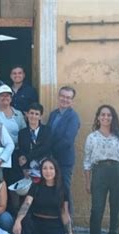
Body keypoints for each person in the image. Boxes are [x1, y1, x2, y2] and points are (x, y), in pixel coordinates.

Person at [83, 105, 119, 234]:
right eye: (102, 115)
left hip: (118, 171)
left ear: (113, 118)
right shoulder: (92, 137)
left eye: (109, 115)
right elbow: (87, 161)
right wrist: (87, 181)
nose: (105, 117)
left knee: (117, 209)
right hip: (99, 172)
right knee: (97, 209)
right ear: (98, 117)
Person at [13, 158, 77, 234]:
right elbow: (26, 204)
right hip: (37, 222)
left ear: (56, 170)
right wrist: (17, 221)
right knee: (24, 221)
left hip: (54, 224)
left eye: (51, 168)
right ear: (41, 171)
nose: (48, 171)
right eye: (45, 168)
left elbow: (64, 213)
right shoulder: (36, 185)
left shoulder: (63, 188)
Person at [12, 102, 52, 216]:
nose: (33, 116)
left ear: (40, 116)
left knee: (43, 196)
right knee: (27, 197)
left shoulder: (47, 131)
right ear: (27, 115)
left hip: (44, 169)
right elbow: (21, 152)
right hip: (28, 172)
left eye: (36, 114)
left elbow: (45, 148)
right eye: (31, 113)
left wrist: (27, 157)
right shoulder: (22, 133)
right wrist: (24, 167)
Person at [48, 86, 80, 215]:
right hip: (51, 160)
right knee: (52, 191)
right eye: (63, 96)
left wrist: (50, 151)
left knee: (65, 191)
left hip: (64, 161)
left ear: (72, 101)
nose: (65, 100)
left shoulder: (73, 117)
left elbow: (67, 140)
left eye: (68, 98)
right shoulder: (53, 114)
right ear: (58, 96)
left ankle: (68, 223)